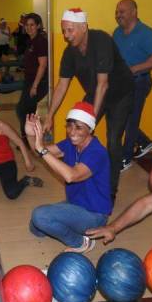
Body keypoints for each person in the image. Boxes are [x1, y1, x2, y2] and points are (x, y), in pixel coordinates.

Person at [44, 8, 134, 199]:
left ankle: (110, 190)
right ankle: (80, 174)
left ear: (84, 27)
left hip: (120, 94)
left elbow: (103, 84)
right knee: (77, 130)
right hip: (96, 93)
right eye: (64, 31)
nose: (66, 36)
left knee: (113, 140)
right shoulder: (70, 53)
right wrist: (49, 116)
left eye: (70, 30)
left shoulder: (101, 40)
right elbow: (61, 85)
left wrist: (90, 120)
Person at [27, 102, 112, 253]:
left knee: (40, 216)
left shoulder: (97, 152)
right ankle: (75, 226)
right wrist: (30, 134)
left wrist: (41, 148)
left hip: (94, 214)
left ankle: (81, 242)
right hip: (75, 203)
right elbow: (39, 153)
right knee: (35, 227)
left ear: (90, 129)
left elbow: (71, 176)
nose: (72, 132)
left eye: (79, 127)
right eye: (69, 126)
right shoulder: (70, 144)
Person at [114, 0, 152, 170]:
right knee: (123, 117)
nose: (118, 15)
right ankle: (144, 142)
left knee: (131, 119)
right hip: (122, 83)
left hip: (140, 82)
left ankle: (126, 157)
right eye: (117, 12)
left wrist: (135, 68)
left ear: (134, 12)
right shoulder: (117, 33)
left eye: (122, 11)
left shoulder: (146, 33)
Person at [16, 13, 48, 139]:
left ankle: (27, 138)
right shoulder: (31, 41)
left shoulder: (40, 42)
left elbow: (43, 65)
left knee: (22, 110)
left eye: (32, 25)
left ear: (38, 25)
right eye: (27, 25)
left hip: (37, 82)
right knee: (28, 111)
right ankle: (31, 137)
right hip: (29, 81)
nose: (29, 28)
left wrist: (34, 86)